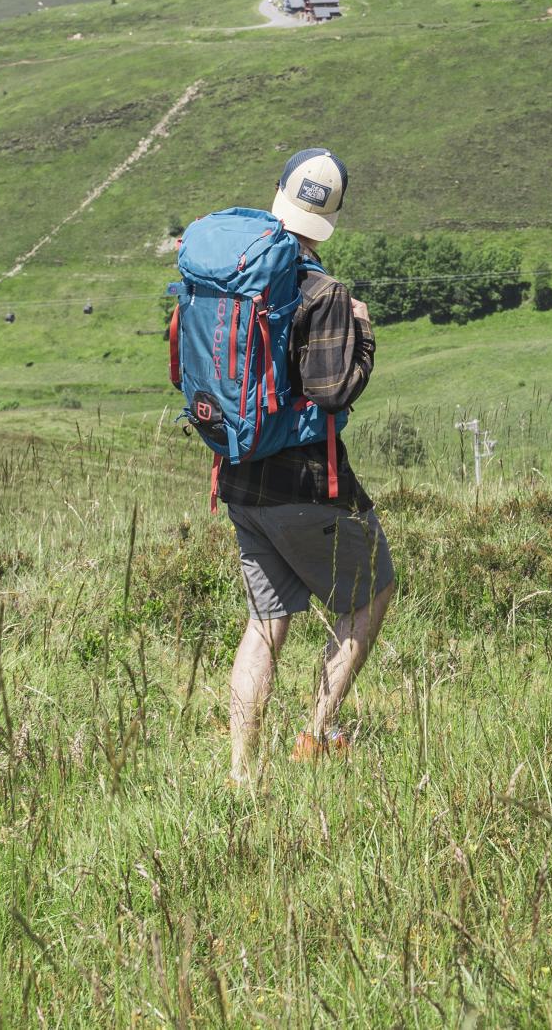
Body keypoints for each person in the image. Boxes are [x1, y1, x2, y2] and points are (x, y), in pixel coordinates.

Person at [223, 148, 396, 783]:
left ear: (277, 194)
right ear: (332, 215)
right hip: (306, 484)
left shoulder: (235, 274)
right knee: (372, 592)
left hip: (240, 480)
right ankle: (318, 731)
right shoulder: (323, 291)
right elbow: (332, 392)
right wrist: (365, 336)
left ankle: (242, 773)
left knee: (265, 623)